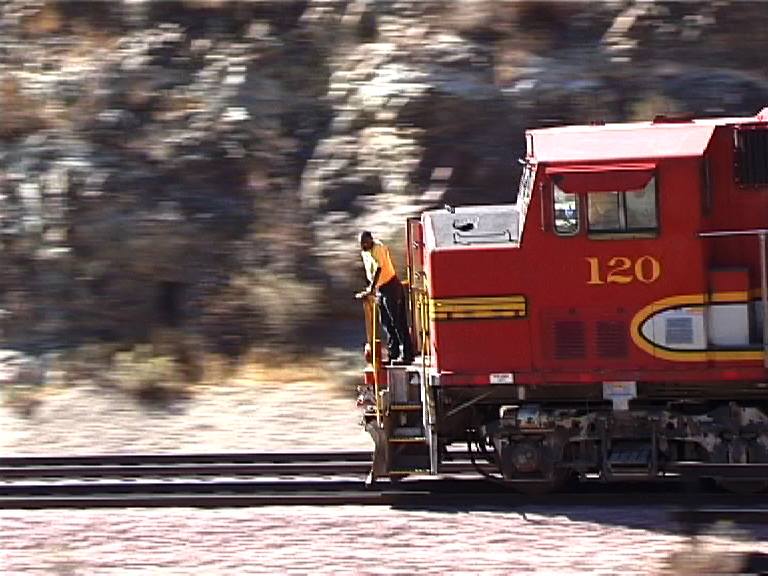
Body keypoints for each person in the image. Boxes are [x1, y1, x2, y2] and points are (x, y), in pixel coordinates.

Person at [355, 231, 414, 364]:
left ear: (371, 240)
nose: (363, 246)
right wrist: (372, 288)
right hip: (380, 289)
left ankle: (407, 355)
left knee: (398, 321)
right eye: (361, 244)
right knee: (386, 322)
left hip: (391, 287)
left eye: (365, 242)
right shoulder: (365, 253)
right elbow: (371, 272)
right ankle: (393, 353)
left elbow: (379, 269)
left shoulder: (378, 248)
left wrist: (371, 288)